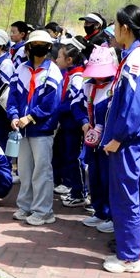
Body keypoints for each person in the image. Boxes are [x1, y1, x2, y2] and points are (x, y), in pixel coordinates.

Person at [100, 4, 140, 274]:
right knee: (123, 197)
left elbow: (134, 108)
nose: (113, 30)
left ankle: (130, 257)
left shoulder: (136, 60)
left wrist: (118, 138)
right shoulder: (132, 56)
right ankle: (127, 252)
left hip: (127, 144)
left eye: (115, 25)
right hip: (124, 142)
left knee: (126, 198)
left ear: (125, 28)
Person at [7, 29, 63, 226]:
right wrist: (14, 116)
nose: (38, 48)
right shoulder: (21, 69)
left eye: (43, 45)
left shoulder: (52, 71)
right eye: (35, 44)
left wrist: (30, 117)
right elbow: (13, 95)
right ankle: (25, 206)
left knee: (42, 171)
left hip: (42, 129)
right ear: (29, 47)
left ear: (48, 48)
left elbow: (51, 103)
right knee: (24, 170)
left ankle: (43, 211)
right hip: (22, 129)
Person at [73, 45, 117, 231]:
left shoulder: (116, 86)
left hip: (109, 142)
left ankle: (112, 215)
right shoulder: (88, 85)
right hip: (91, 142)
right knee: (94, 177)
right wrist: (84, 122)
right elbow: (76, 105)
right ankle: (99, 211)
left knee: (109, 179)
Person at [53, 37, 88, 208]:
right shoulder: (70, 74)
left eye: (60, 56)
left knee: (74, 158)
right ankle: (75, 189)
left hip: (73, 124)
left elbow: (73, 103)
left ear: (69, 60)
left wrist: (57, 109)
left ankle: (79, 192)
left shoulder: (78, 77)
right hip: (66, 124)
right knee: (68, 156)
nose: (56, 59)